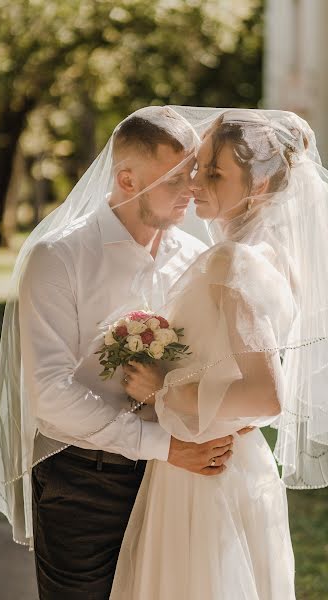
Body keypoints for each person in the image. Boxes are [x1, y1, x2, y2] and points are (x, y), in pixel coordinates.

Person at [0, 106, 255, 599]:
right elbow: (49, 394)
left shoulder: (192, 257)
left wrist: (229, 406)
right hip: (83, 482)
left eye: (192, 173)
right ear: (127, 179)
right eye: (175, 178)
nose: (191, 190)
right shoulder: (59, 258)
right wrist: (167, 448)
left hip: (171, 483)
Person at [110, 109, 328, 599]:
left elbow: (265, 395)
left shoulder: (234, 260)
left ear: (262, 182)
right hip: (236, 462)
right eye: (197, 166)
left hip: (206, 475)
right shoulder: (272, 254)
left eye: (214, 172)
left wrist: (162, 388)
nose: (196, 181)